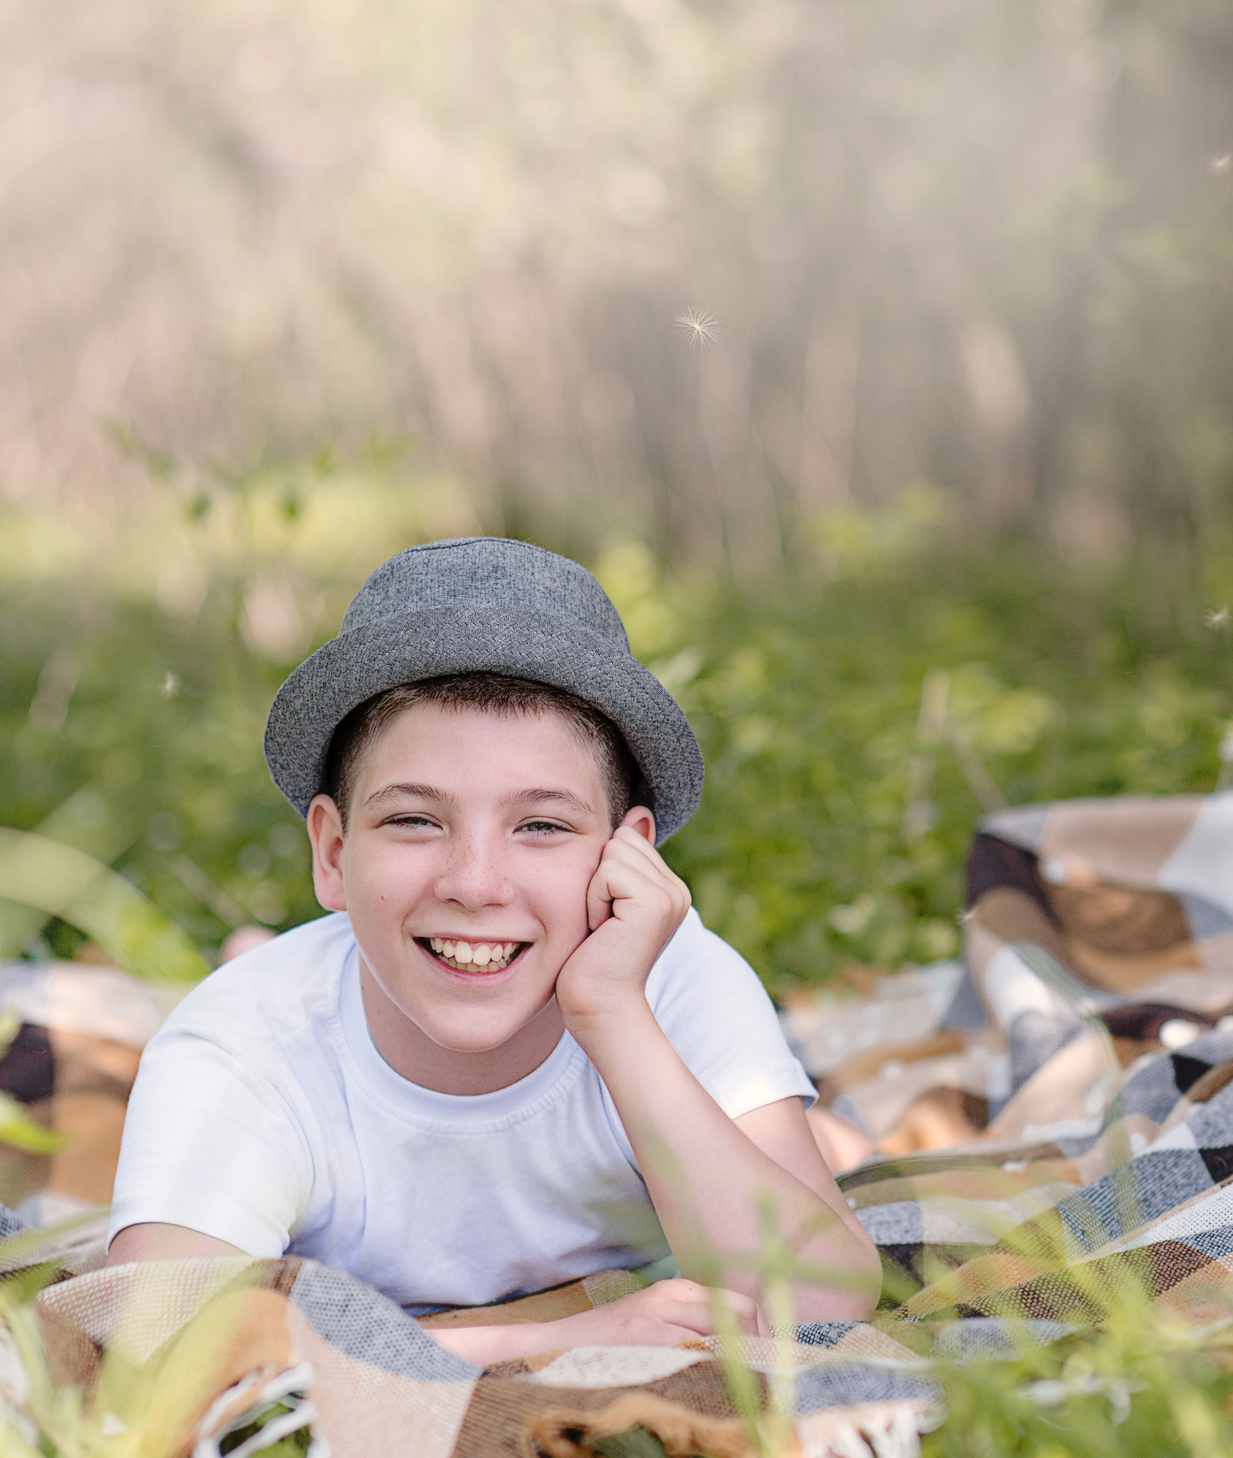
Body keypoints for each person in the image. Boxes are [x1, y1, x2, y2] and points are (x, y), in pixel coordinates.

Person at [105, 537, 879, 1363]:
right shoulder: (245, 1036)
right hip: (282, 1010)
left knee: (832, 1150)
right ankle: (251, 951)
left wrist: (613, 1014)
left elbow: (820, 1302)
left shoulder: (675, 977)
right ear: (332, 854)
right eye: (414, 819)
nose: (476, 883)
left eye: (541, 825)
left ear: (629, 857)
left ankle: (822, 1131)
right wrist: (555, 1340)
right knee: (254, 1007)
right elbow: (156, 1336)